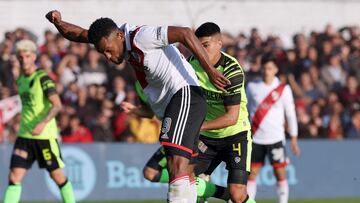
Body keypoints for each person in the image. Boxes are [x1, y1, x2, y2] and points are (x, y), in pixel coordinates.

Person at [46, 10, 229, 202]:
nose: (108, 56)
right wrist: (58, 23)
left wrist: (210, 70)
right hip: (179, 102)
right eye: (103, 53)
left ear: (118, 35)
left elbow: (184, 33)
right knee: (186, 170)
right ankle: (224, 196)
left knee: (176, 163)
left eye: (108, 49)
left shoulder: (141, 37)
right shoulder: (114, 41)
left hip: (184, 95)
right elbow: (79, 34)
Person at [124, 22, 255, 203]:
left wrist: (193, 126)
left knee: (238, 194)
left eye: (206, 46)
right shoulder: (190, 64)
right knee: (184, 175)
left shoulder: (231, 70)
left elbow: (231, 118)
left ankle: (228, 195)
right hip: (205, 136)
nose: (201, 51)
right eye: (197, 46)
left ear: (220, 43)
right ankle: (219, 195)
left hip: (235, 135)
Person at [2, 40, 75, 203]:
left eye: (27, 56)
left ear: (33, 57)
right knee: (14, 176)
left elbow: (57, 105)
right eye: (21, 57)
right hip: (24, 136)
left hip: (44, 137)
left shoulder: (43, 78)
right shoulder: (21, 80)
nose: (24, 60)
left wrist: (43, 123)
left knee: (57, 176)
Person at [246, 54, 300, 203]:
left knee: (280, 173)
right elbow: (244, 111)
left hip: (275, 138)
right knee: (251, 175)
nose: (266, 71)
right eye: (264, 68)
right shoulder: (252, 87)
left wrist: (294, 138)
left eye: (269, 68)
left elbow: (290, 114)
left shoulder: (283, 89)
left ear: (275, 69)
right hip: (255, 138)